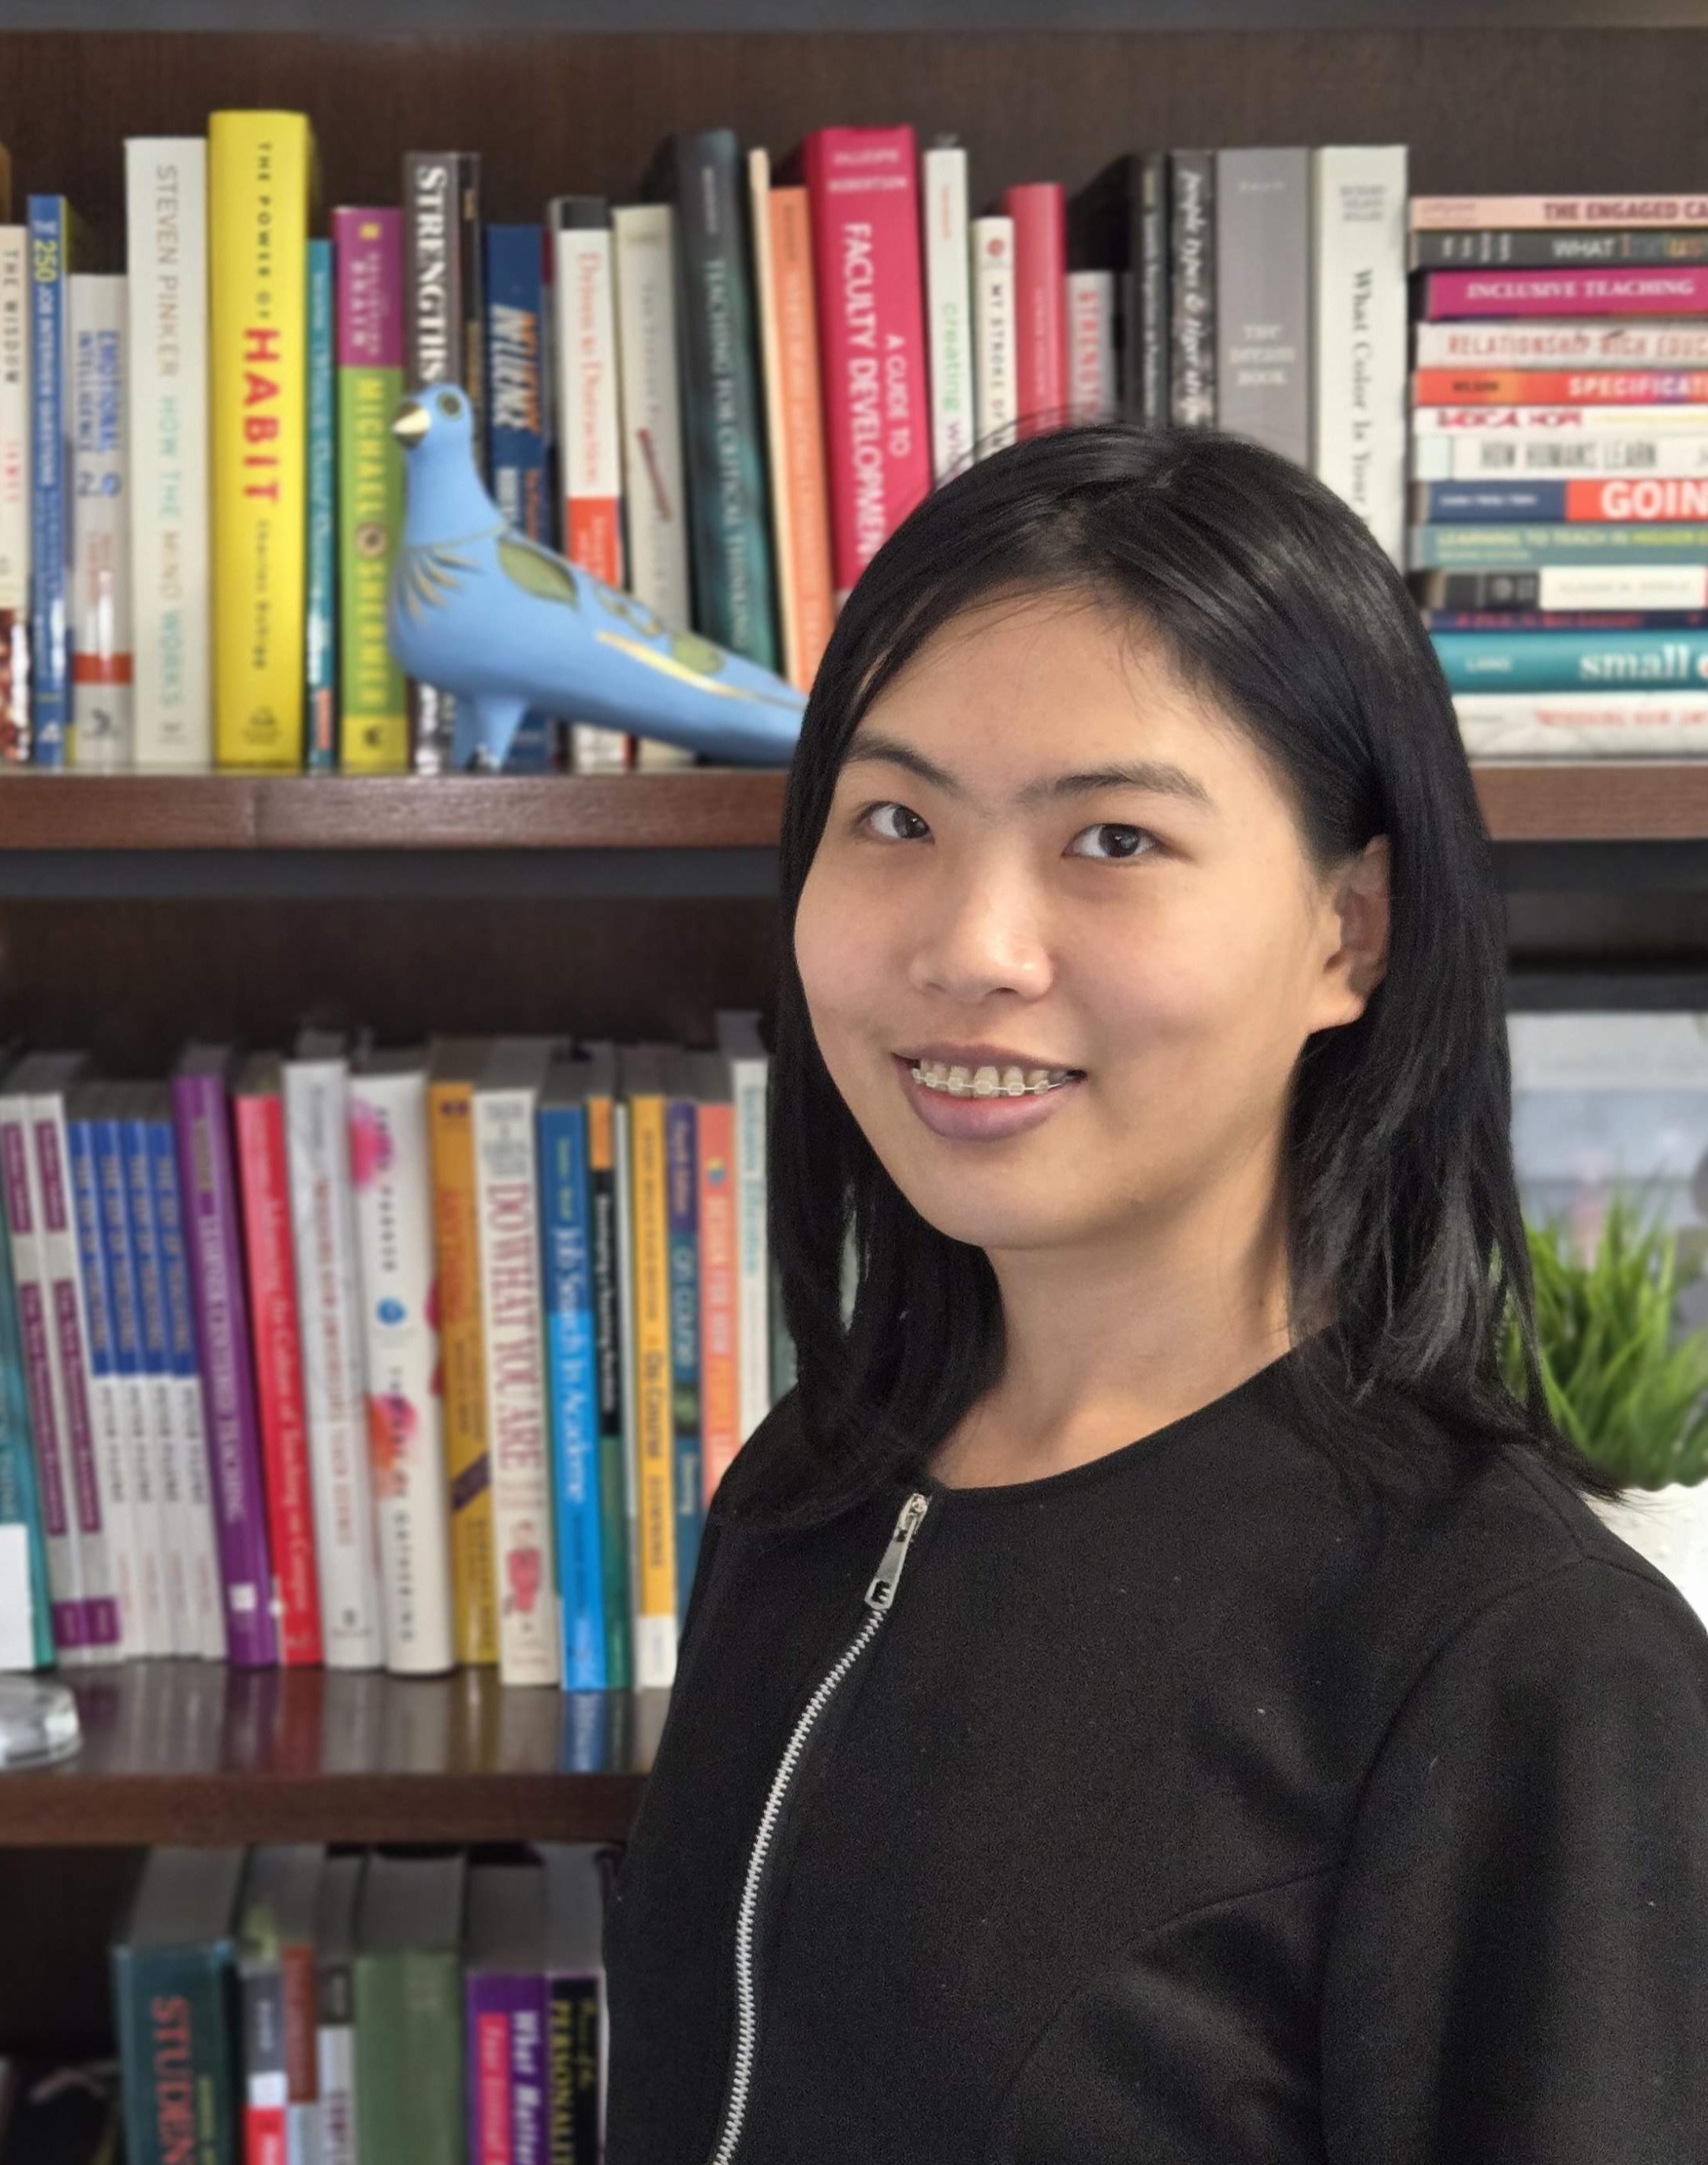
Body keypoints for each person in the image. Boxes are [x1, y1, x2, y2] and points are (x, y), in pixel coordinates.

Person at [601, 420, 1708, 2163]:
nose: (967, 942)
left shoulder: (1517, 1658)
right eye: (892, 815)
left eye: (1108, 840)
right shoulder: (814, 1476)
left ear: (1349, 930)